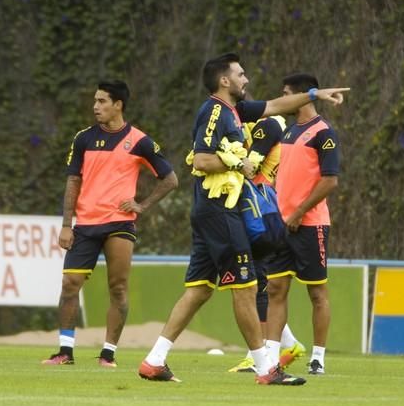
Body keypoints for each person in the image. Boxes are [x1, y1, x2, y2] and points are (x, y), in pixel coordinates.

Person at [138, 53, 348, 385]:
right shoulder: (213, 111)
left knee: (199, 291)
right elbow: (203, 160)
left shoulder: (237, 111)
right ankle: (267, 369)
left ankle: (154, 360)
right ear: (225, 80)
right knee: (247, 287)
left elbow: (277, 106)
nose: (246, 78)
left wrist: (314, 95)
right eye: (240, 73)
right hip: (219, 210)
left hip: (215, 211)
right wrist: (239, 165)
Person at [42, 80, 178, 367]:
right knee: (70, 284)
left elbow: (170, 179)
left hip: (119, 223)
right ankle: (65, 352)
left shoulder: (140, 141)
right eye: (95, 101)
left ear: (118, 105)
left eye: (102, 101)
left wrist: (142, 205)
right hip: (86, 224)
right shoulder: (83, 138)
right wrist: (67, 224)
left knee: (117, 288)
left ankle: (108, 354)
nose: (96, 106)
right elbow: (73, 181)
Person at [263, 73, 341, 376]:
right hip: (281, 225)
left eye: (285, 94)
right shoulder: (287, 133)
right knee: (275, 289)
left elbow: (330, 181)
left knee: (317, 293)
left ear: (302, 96)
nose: (282, 100)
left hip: (310, 225)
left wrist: (298, 213)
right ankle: (270, 358)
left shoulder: (324, 133)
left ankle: (318, 357)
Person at [227, 109, 306, 374]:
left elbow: (251, 167)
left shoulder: (266, 125)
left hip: (259, 207)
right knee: (258, 281)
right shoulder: (273, 128)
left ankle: (257, 353)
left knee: (256, 281)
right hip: (266, 203)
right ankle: (289, 343)